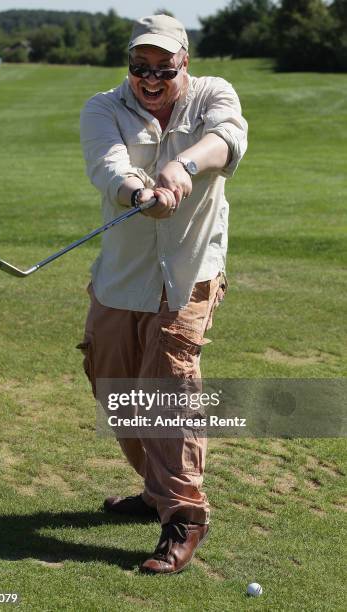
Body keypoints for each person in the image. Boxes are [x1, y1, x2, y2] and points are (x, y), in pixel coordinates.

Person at [78, 14, 248, 575]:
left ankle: (184, 515)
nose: (150, 79)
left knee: (168, 384)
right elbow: (108, 165)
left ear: (185, 63)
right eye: (140, 67)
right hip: (121, 277)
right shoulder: (104, 107)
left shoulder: (212, 95)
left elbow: (227, 139)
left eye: (163, 68)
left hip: (189, 272)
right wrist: (135, 192)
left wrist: (180, 165)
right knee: (115, 390)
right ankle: (156, 491)